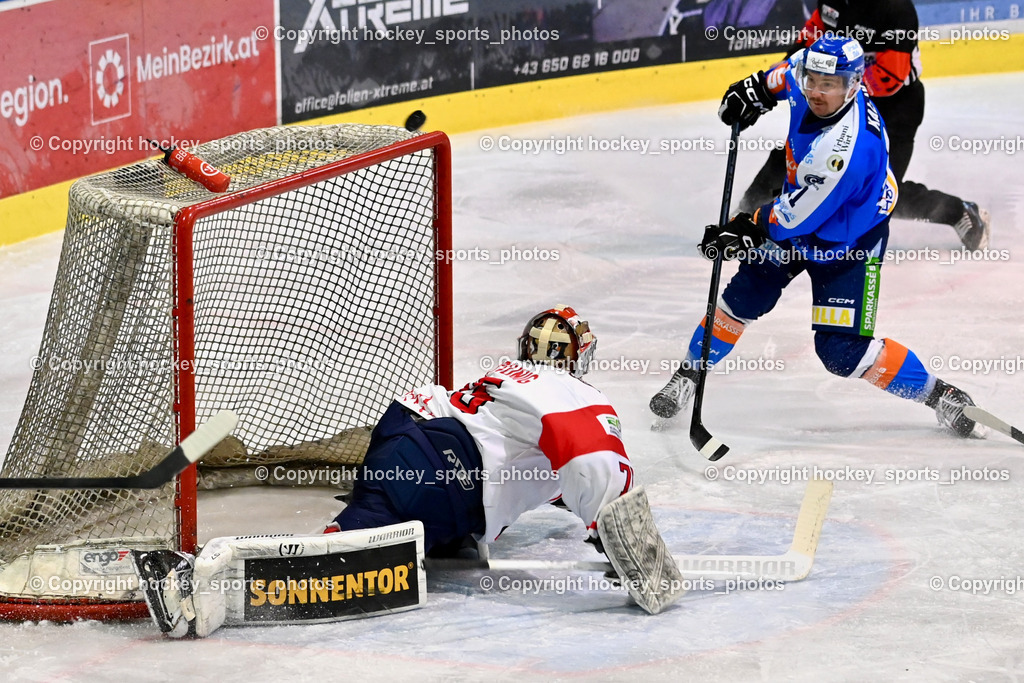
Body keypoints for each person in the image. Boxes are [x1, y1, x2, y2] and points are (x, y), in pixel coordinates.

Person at [134, 306, 685, 637]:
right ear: (577, 356)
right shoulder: (571, 390)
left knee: (370, 539)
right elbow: (589, 457)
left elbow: (544, 468)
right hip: (444, 469)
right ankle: (203, 584)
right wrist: (619, 537)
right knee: (353, 556)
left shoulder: (513, 376)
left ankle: (204, 581)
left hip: (409, 435)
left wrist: (578, 511)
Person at [649, 34, 987, 441]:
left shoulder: (843, 152)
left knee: (842, 352)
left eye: (829, 85)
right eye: (813, 81)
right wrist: (755, 91)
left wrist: (745, 228)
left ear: (854, 84)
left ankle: (941, 395)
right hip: (805, 214)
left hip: (848, 242)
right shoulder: (807, 75)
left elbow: (790, 219)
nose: (816, 92)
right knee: (741, 298)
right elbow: (785, 75)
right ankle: (689, 375)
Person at [736, 0, 990, 251]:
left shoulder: (896, 9)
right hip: (838, 97)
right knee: (789, 158)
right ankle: (743, 217)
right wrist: (776, 80)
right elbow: (812, 36)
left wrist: (832, 87)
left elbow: (890, 77)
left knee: (877, 189)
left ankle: (957, 211)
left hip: (893, 108)